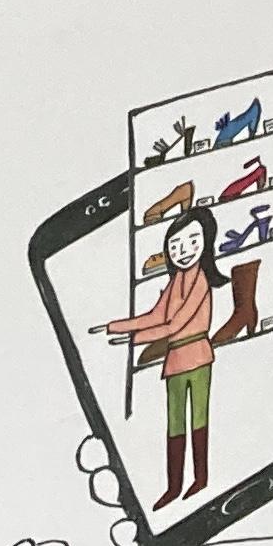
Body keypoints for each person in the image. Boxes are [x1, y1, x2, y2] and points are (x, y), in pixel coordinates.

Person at [103, 197, 225, 505]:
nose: (183, 250)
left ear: (206, 242)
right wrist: (115, 326)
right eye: (175, 245)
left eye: (192, 241)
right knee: (175, 423)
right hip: (174, 361)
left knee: (198, 419)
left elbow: (174, 324)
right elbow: (156, 315)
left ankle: (200, 478)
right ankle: (174, 485)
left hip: (198, 355)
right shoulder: (176, 281)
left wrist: (135, 340)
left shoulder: (200, 281)